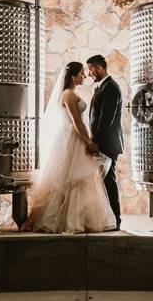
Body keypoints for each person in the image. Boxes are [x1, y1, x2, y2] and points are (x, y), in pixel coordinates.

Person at [20, 61, 116, 233]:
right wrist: (88, 142)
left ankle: (80, 219)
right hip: (73, 139)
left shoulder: (73, 92)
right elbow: (76, 121)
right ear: (72, 76)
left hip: (76, 137)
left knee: (80, 180)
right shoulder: (68, 94)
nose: (84, 76)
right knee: (70, 178)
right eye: (81, 73)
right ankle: (68, 220)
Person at [85, 54, 123, 229]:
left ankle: (116, 219)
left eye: (91, 69)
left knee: (109, 181)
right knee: (104, 181)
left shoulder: (111, 88)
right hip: (103, 141)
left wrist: (95, 141)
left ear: (99, 68)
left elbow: (106, 118)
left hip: (107, 143)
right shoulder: (103, 86)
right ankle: (109, 218)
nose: (89, 73)